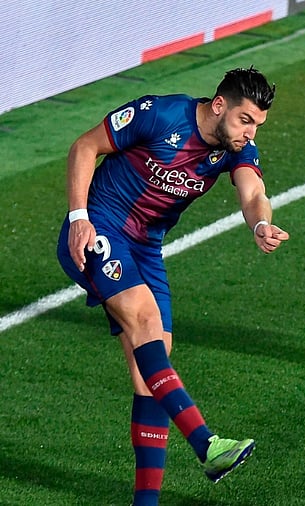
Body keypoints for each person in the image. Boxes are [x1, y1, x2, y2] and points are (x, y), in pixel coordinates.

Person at [57, 67, 289, 506]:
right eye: (245, 120)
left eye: (257, 124)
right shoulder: (159, 114)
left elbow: (253, 191)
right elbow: (85, 146)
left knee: (153, 367)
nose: (250, 132)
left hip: (146, 249)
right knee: (145, 321)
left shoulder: (234, 148)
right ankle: (207, 445)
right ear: (219, 106)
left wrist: (260, 222)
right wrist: (78, 218)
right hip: (101, 227)